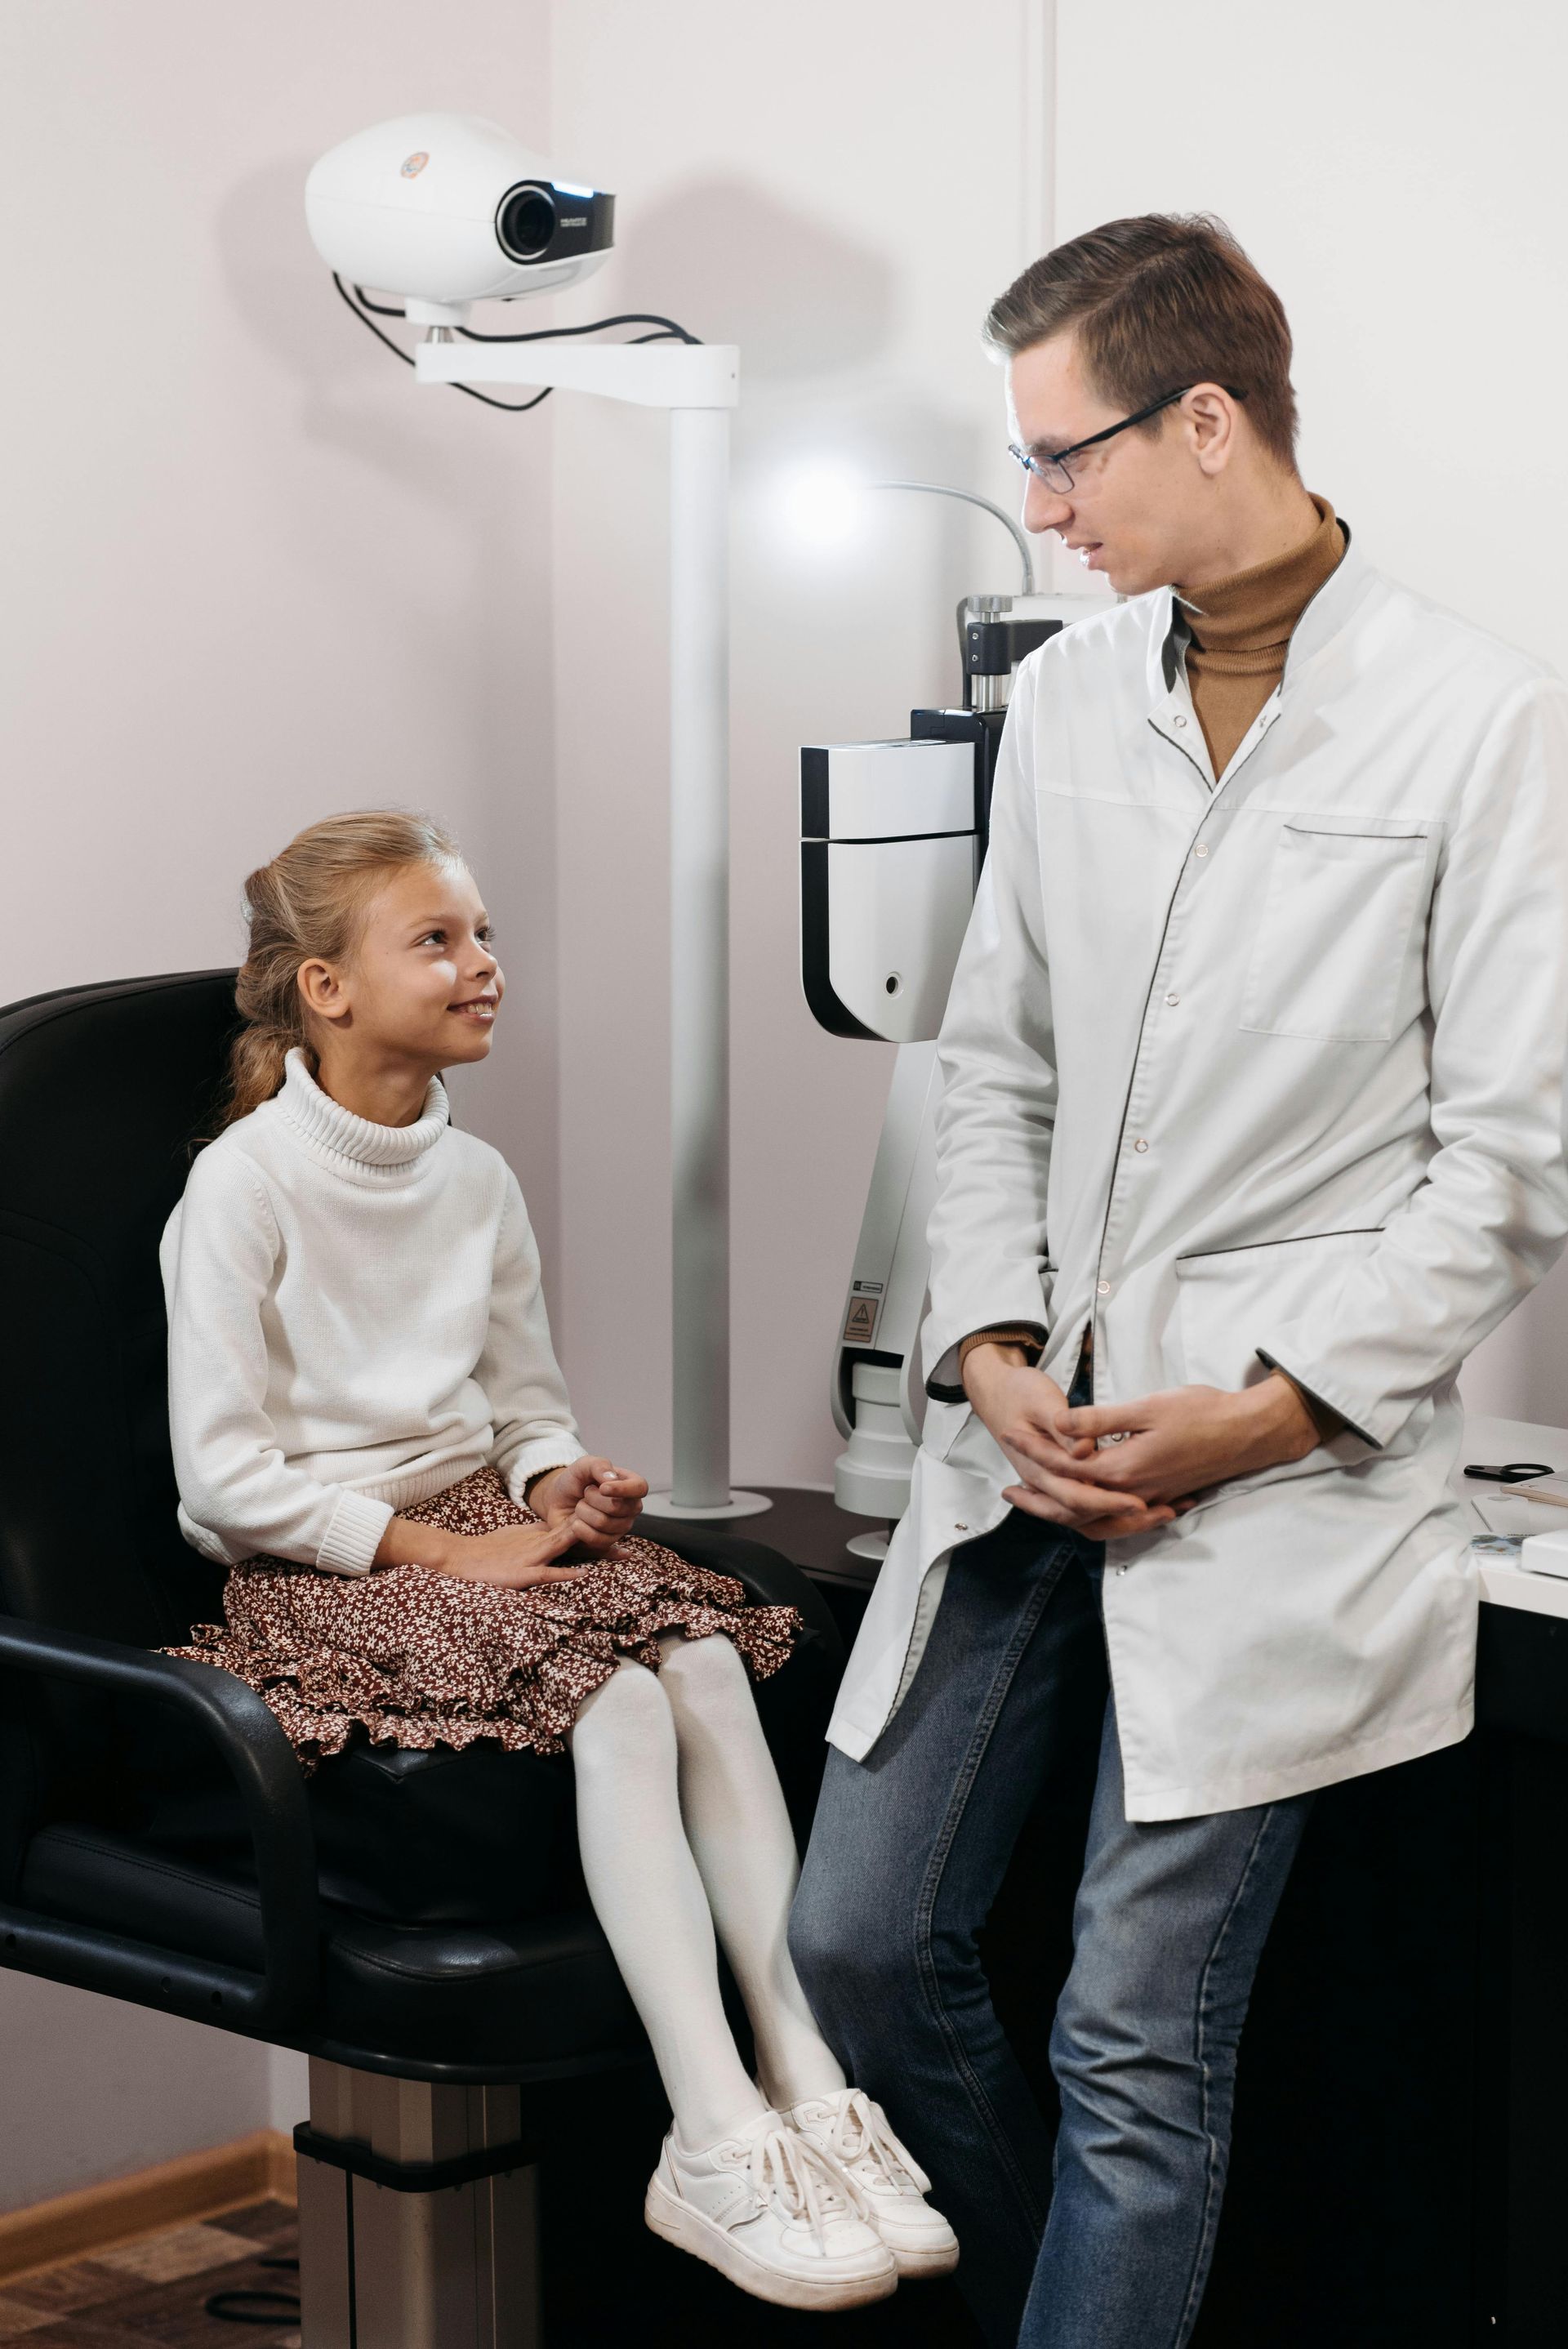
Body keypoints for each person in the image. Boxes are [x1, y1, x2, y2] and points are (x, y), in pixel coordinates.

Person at [790, 212, 1568, 2348]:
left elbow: (1513, 1160)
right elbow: (997, 1060)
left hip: (1270, 1472)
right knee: (857, 1942)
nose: (1042, 509)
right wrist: (987, 1339)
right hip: (1034, 1433)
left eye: (1066, 457)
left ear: (1206, 419)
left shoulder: (1481, 722)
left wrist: (1269, 1411)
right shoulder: (1067, 701)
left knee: (1137, 2039)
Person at [159, 809, 956, 2312]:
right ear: (327, 988)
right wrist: (437, 1554)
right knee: (620, 1694)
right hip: (319, 1567)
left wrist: (557, 1481)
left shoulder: (477, 1180)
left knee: (706, 1654)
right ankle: (708, 2132)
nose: (484, 965)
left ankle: (808, 2080)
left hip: (475, 1529)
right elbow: (226, 1481)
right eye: (438, 940)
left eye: (485, 934)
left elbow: (523, 1405)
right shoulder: (243, 1186)